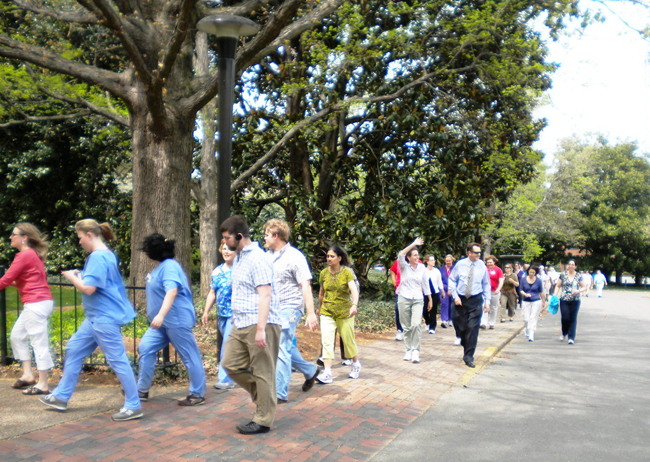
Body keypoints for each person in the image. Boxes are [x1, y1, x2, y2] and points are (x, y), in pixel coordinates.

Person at [39, 219, 142, 421]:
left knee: (117, 360)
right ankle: (61, 396)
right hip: (95, 317)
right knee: (74, 349)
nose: (79, 242)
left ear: (89, 236)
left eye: (80, 238)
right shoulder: (106, 255)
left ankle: (134, 404)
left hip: (103, 318)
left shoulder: (97, 256)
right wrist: (82, 273)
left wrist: (71, 277)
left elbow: (89, 288)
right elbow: (99, 281)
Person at [220, 216, 281, 435]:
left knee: (263, 372)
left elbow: (265, 295)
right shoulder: (238, 258)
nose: (225, 243)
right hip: (241, 322)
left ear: (239, 236)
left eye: (227, 239)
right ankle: (265, 396)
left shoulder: (258, 259)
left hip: (260, 322)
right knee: (230, 364)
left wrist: (261, 330)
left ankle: (263, 419)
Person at [136, 234, 206, 406]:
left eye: (147, 249)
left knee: (189, 355)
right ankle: (142, 389)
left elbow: (172, 291)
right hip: (161, 324)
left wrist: (160, 315)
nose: (145, 252)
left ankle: (197, 394)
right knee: (145, 348)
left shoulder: (169, 267)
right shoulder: (161, 267)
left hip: (175, 320)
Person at [263, 219, 320, 403]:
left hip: (290, 307)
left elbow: (305, 285)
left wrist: (311, 313)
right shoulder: (267, 256)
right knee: (284, 346)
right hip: (273, 308)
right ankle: (311, 371)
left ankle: (280, 393)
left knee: (281, 347)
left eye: (266, 234)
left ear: (276, 236)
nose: (264, 237)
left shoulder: (295, 256)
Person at [1, 224, 54, 395]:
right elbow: (21, 281)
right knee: (17, 335)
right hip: (38, 302)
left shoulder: (24, 255)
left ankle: (43, 384)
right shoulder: (33, 255)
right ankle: (28, 375)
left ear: (24, 238)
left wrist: (6, 282)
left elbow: (6, 280)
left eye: (13, 234)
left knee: (39, 343)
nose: (11, 237)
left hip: (36, 303)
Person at [316, 245, 362, 382]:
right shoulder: (324, 273)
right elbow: (321, 293)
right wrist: (319, 309)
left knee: (348, 341)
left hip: (345, 312)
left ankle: (355, 364)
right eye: (328, 256)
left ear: (339, 258)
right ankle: (328, 372)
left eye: (332, 256)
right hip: (327, 311)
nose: (329, 259)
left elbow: (354, 291)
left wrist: (354, 305)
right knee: (327, 341)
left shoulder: (347, 272)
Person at [448, 242, 490, 368]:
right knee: (459, 325)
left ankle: (469, 356)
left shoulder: (482, 265)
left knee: (473, 328)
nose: (478, 255)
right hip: (460, 299)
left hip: (475, 299)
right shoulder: (460, 264)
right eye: (476, 252)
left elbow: (486, 284)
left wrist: (487, 302)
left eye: (479, 253)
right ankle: (463, 340)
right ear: (469, 253)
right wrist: (455, 296)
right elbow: (452, 280)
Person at [201, 240, 235, 390]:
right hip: (221, 315)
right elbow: (212, 292)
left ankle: (225, 379)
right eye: (224, 249)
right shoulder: (216, 271)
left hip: (235, 315)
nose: (226, 252)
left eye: (230, 249)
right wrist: (206, 311)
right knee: (231, 346)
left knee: (227, 345)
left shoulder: (239, 270)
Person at [396, 239, 432, 363]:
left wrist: (430, 299)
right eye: (415, 255)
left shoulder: (422, 268)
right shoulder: (404, 266)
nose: (417, 257)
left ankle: (416, 350)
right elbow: (400, 254)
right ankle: (408, 349)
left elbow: (426, 284)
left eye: (418, 255)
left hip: (418, 298)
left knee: (416, 324)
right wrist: (413, 244)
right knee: (406, 326)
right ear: (409, 257)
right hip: (403, 297)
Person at [554, 260, 586, 344]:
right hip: (564, 299)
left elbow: (584, 287)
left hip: (575, 300)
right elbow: (558, 286)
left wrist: (578, 291)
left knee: (573, 318)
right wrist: (554, 295)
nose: (571, 266)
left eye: (573, 265)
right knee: (565, 317)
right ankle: (564, 332)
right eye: (569, 264)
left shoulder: (578, 276)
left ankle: (571, 337)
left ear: (575, 266)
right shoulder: (563, 275)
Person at [520, 266, 545, 342]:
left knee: (533, 317)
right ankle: (527, 329)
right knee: (526, 318)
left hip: (536, 300)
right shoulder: (523, 280)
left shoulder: (538, 281)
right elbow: (521, 290)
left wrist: (543, 301)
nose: (531, 274)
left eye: (533, 272)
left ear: (535, 273)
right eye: (530, 272)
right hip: (526, 300)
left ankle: (531, 333)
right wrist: (525, 294)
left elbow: (540, 292)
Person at [440, 255, 461, 345]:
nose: (448, 262)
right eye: (447, 260)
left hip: (454, 290)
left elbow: (457, 280)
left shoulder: (455, 268)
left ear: (452, 261)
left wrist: (451, 289)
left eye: (450, 261)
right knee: (444, 304)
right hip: (443, 289)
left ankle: (451, 320)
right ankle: (444, 320)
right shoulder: (441, 269)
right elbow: (439, 280)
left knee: (452, 305)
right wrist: (446, 288)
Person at [480, 256, 504, 330]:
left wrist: (498, 289)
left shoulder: (498, 270)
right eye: (488, 262)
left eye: (490, 262)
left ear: (494, 262)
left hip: (494, 291)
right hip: (485, 291)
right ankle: (483, 323)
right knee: (484, 306)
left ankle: (491, 323)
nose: (489, 264)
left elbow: (501, 280)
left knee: (493, 307)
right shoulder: (484, 269)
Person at [424, 255, 445, 335]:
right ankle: (427, 321)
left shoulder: (436, 271)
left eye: (434, 260)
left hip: (435, 293)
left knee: (433, 310)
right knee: (424, 310)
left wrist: (442, 291)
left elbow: (439, 282)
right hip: (425, 293)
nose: (434, 261)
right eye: (432, 260)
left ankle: (432, 327)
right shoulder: (424, 271)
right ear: (427, 262)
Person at [389, 259, 404, 341]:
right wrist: (394, 280)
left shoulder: (416, 261)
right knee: (398, 309)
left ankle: (409, 331)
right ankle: (400, 330)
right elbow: (392, 270)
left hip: (411, 291)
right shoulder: (398, 261)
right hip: (400, 290)